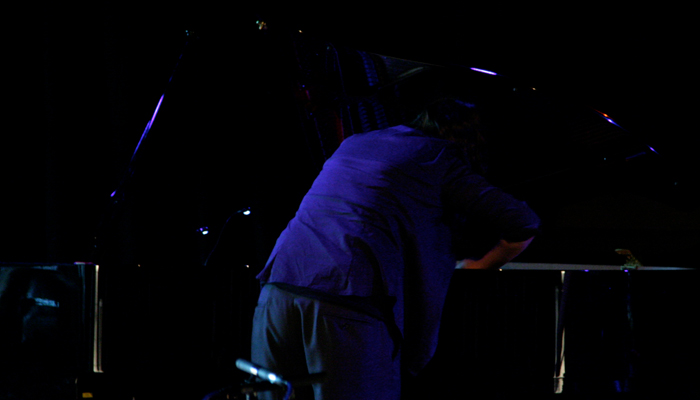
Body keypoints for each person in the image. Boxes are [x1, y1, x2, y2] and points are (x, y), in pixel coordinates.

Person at [250, 98, 540, 399]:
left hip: (277, 289)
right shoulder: (437, 154)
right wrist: (481, 266)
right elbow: (524, 222)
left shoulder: (355, 142)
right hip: (345, 301)